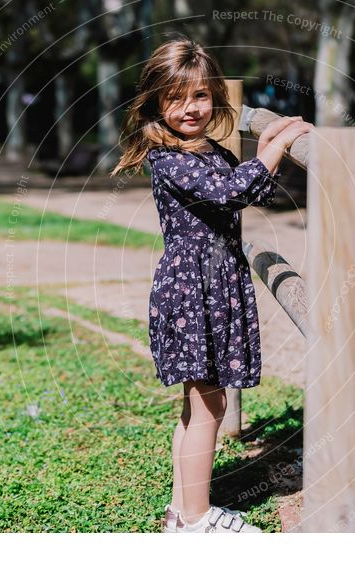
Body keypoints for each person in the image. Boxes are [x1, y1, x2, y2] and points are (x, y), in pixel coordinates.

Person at [111, 36, 311, 533]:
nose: (190, 108)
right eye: (176, 98)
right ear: (156, 102)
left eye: (200, 95)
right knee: (208, 403)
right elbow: (228, 192)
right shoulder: (169, 158)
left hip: (212, 284)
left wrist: (267, 148)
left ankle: (181, 515)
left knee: (199, 402)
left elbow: (247, 185)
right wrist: (278, 146)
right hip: (193, 291)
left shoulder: (206, 149)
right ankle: (199, 520)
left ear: (214, 96)